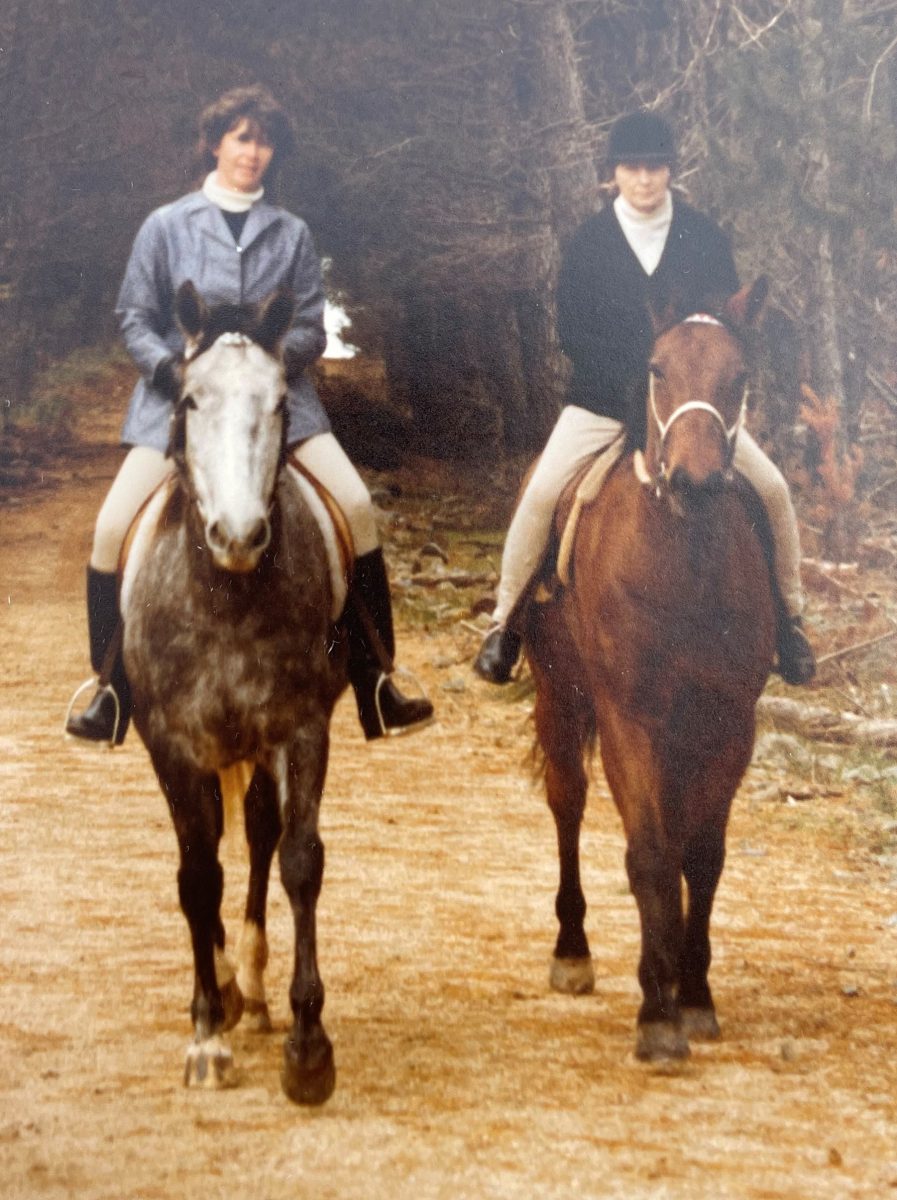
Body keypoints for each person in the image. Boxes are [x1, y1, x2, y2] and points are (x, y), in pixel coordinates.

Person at [66, 84, 433, 744]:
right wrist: (174, 371)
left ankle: (379, 681)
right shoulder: (165, 225)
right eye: (240, 137)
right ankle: (110, 689)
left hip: (275, 406)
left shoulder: (291, 234)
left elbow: (312, 328)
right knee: (111, 526)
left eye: (263, 141)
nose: (252, 152)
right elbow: (135, 316)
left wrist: (267, 366)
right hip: (181, 406)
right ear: (214, 143)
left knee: (354, 506)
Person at [474, 110, 815, 687]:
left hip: (691, 408)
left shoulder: (705, 236)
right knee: (540, 493)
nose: (644, 179)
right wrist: (638, 387)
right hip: (604, 402)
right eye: (632, 168)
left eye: (655, 167)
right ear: (614, 174)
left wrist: (686, 391)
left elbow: (727, 327)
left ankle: (791, 621)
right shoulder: (588, 242)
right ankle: (505, 624)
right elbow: (572, 331)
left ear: (670, 171)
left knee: (774, 490)